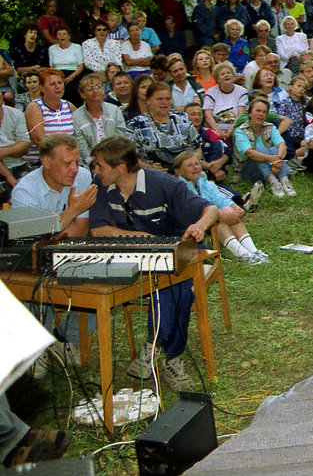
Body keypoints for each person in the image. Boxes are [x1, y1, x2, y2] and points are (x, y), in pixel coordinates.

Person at [88, 135, 217, 390]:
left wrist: (199, 226)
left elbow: (210, 209)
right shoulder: (101, 185)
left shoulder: (163, 183)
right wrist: (140, 238)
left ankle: (155, 346)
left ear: (120, 168)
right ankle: (172, 356)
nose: (94, 170)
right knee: (173, 286)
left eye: (100, 165)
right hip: (140, 253)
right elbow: (98, 229)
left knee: (173, 282)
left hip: (180, 249)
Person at [12, 133, 97, 375]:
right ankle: (36, 346)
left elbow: (81, 228)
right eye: (66, 163)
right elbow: (33, 240)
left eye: (77, 161)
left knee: (99, 277)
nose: (74, 169)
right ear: (46, 162)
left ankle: (65, 338)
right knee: (34, 284)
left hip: (71, 251)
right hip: (33, 261)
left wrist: (56, 230)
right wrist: (73, 210)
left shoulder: (82, 176)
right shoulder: (24, 192)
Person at [234, 97, 295, 197]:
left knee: (275, 149)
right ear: (250, 113)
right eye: (258, 111)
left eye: (264, 112)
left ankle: (285, 181)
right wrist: (273, 159)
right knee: (259, 149)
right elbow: (249, 153)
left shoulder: (270, 127)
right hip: (249, 168)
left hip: (271, 164)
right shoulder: (240, 131)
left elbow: (282, 144)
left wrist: (278, 159)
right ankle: (273, 182)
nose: (261, 114)